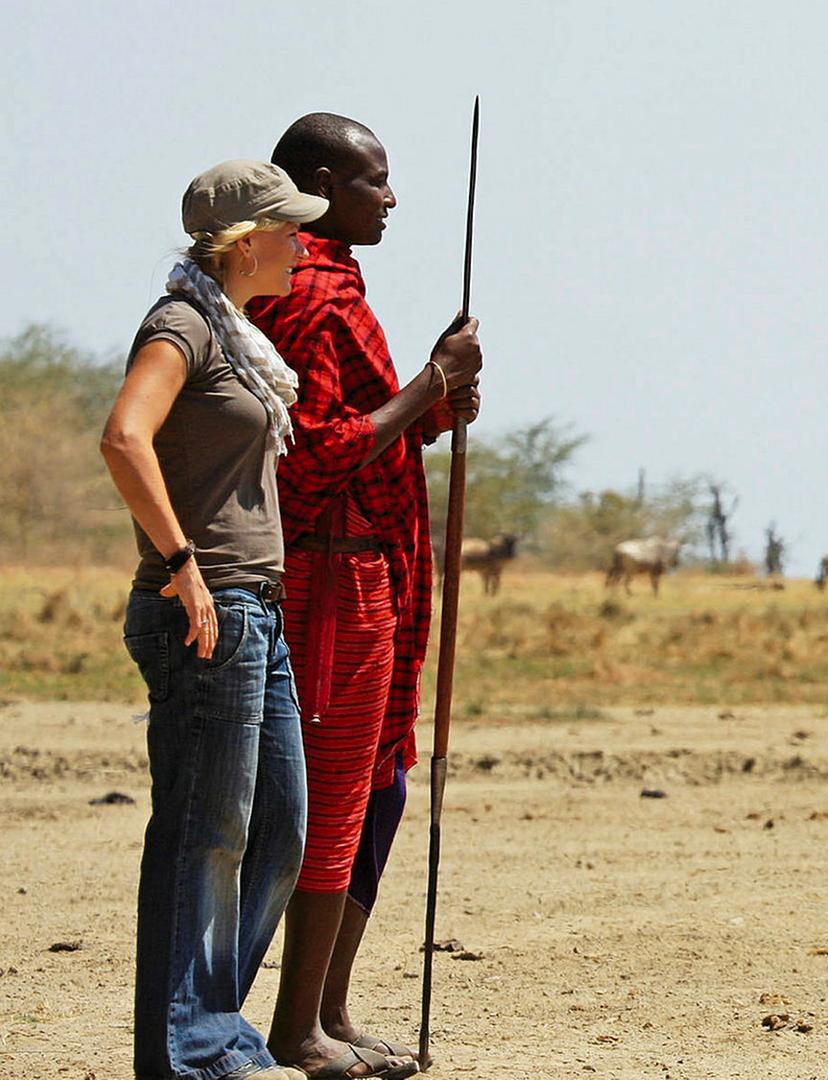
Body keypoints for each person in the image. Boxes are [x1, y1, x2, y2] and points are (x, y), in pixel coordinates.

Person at [247, 113, 481, 1076]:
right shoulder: (301, 290)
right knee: (338, 793)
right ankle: (295, 1027)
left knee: (376, 788)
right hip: (332, 581)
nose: (390, 198)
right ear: (318, 182)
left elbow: (363, 431)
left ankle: (329, 1010)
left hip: (374, 571)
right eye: (373, 180)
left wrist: (429, 405)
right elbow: (315, 456)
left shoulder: (337, 287)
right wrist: (429, 384)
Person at [100, 160, 327, 1080]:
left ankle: (209, 1026)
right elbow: (123, 437)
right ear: (244, 242)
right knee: (208, 828)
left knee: (278, 826)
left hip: (250, 614)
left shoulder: (236, 335)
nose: (302, 242)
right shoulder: (183, 325)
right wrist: (183, 566)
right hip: (206, 609)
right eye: (288, 228)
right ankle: (193, 1051)